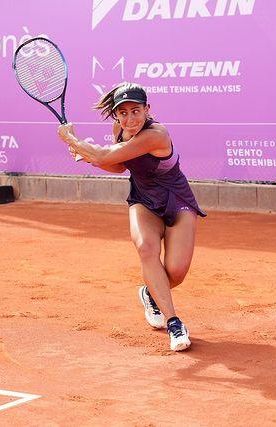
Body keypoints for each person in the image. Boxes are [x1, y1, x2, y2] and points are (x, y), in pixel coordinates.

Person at [57, 82, 206, 351]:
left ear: (148, 110)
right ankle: (174, 322)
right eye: (122, 113)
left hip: (177, 200)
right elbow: (117, 165)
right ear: (116, 115)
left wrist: (74, 141)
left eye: (136, 111)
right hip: (143, 200)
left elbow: (104, 154)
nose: (130, 118)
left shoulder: (157, 134)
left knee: (176, 271)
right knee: (145, 248)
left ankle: (151, 293)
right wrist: (89, 156)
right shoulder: (120, 130)